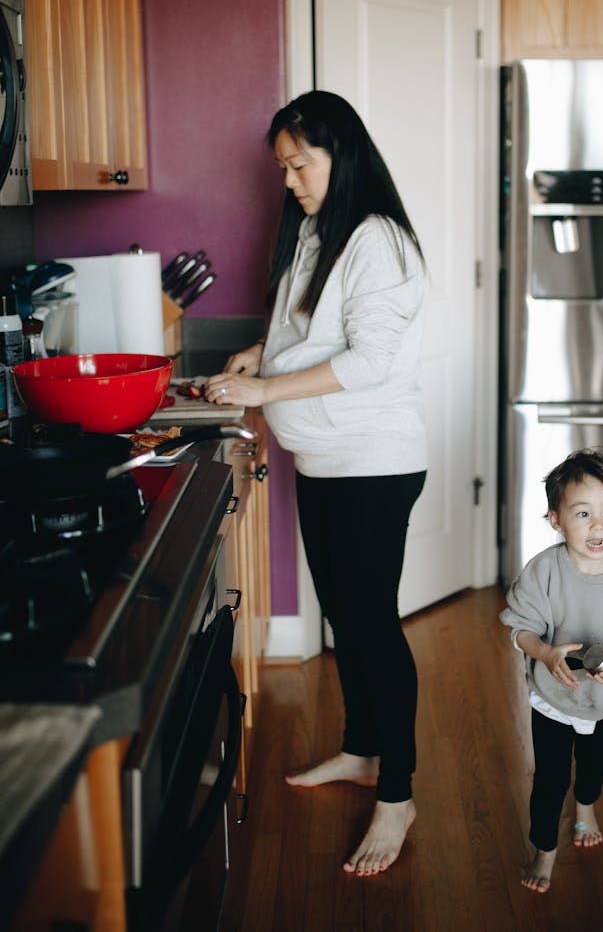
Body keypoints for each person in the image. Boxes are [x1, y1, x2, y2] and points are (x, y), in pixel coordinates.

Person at [204, 90, 428, 877]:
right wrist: (257, 355)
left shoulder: (380, 241)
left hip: (375, 462)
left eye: (301, 163)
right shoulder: (315, 230)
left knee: (370, 625)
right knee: (346, 618)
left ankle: (396, 794)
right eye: (283, 167)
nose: (290, 179)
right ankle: (364, 753)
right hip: (327, 458)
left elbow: (370, 359)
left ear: (344, 153)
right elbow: (305, 324)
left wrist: (263, 393)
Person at [499, 448, 603, 894]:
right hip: (552, 700)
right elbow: (520, 628)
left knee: (593, 768)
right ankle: (545, 849)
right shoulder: (543, 572)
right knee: (551, 780)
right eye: (583, 513)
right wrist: (546, 652)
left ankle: (587, 805)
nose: (598, 526)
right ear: (556, 519)